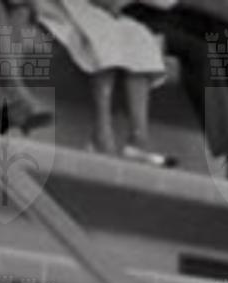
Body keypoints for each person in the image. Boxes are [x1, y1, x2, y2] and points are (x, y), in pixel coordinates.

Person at [122, 0, 228, 182]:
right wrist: (212, 6)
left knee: (226, 34)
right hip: (137, 16)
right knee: (200, 53)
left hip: (170, 13)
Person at [29, 0, 172, 164]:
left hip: (99, 11)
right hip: (62, 7)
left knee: (139, 36)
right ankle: (101, 135)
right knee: (103, 37)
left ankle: (139, 139)